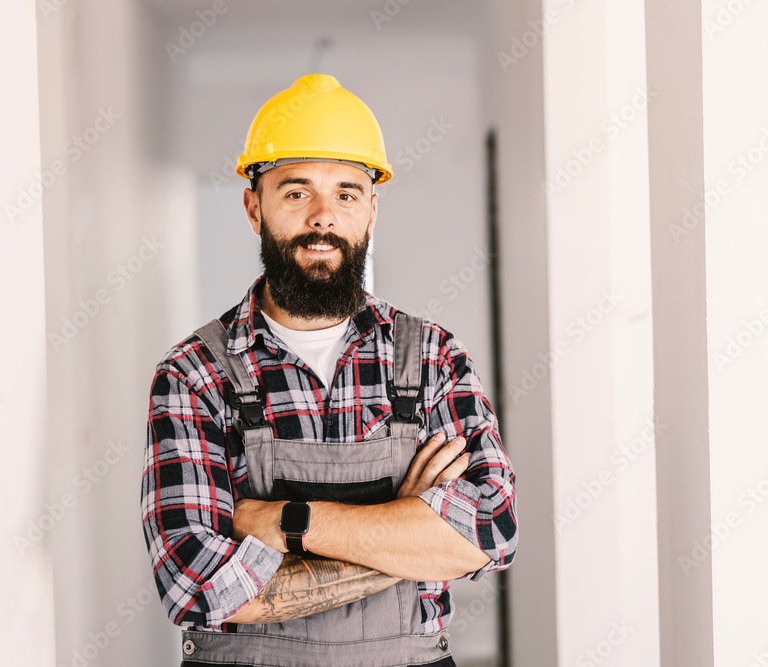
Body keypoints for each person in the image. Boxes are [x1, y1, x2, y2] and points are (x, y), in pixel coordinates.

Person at [141, 74, 518, 667]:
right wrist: (407, 527)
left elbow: (490, 532)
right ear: (253, 206)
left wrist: (286, 522)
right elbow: (198, 585)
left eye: (346, 193)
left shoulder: (436, 357)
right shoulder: (195, 373)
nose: (323, 217)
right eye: (296, 192)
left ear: (371, 210)